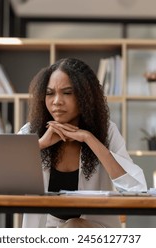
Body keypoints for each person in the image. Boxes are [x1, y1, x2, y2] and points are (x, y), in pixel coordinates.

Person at [18, 57, 147, 228]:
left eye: (67, 93)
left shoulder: (106, 132)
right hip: (46, 230)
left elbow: (134, 189)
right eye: (50, 93)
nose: (57, 101)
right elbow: (1, 180)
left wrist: (90, 139)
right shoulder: (30, 133)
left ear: (85, 97)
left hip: (94, 230)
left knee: (73, 226)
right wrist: (40, 144)